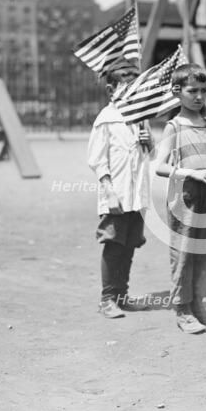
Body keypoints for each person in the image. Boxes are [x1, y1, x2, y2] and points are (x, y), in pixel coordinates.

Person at [155, 63, 206, 334]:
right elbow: (160, 166)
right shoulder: (174, 125)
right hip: (185, 199)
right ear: (178, 92)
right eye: (192, 90)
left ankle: (199, 305)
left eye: (203, 91)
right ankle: (182, 310)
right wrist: (191, 173)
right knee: (184, 254)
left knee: (205, 254)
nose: (199, 96)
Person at [87, 58, 153, 319]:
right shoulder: (106, 119)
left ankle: (122, 295)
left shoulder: (139, 117)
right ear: (111, 90)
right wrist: (109, 190)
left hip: (136, 195)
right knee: (114, 245)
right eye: (125, 89)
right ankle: (107, 298)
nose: (130, 94)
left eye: (135, 89)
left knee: (129, 245)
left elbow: (148, 153)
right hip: (117, 194)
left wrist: (149, 141)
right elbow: (96, 159)